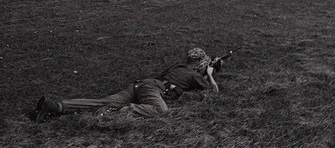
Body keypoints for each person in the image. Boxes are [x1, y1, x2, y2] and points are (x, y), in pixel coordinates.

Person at [30, 48, 220, 123]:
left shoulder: (179, 67)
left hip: (142, 85)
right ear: (202, 65)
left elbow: (174, 76)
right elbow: (214, 91)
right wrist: (210, 75)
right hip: (153, 91)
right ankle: (123, 110)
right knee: (160, 110)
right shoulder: (196, 75)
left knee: (101, 101)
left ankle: (57, 106)